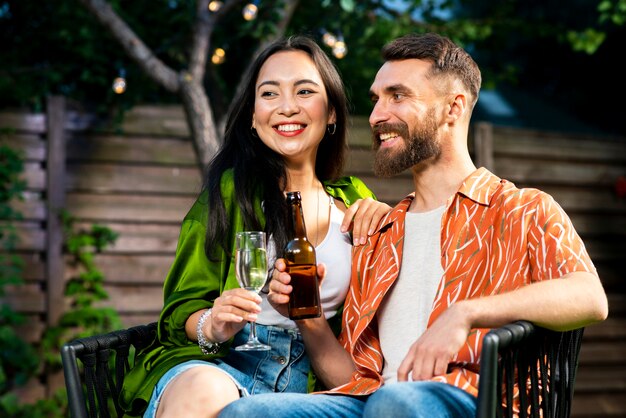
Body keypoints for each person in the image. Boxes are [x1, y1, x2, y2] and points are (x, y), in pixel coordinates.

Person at [219, 32, 609, 418]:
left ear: (453, 108)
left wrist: (465, 314)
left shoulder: (522, 210)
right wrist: (309, 316)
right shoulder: (379, 232)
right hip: (372, 402)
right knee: (246, 412)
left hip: (474, 400)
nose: (376, 116)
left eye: (398, 96)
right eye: (376, 99)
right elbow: (353, 377)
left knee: (395, 403)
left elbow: (590, 297)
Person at [119, 35, 391, 418]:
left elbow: (370, 323)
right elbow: (180, 311)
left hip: (311, 381)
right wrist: (213, 325)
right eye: (269, 94)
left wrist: (384, 215)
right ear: (251, 115)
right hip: (220, 365)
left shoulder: (353, 200)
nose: (286, 107)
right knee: (204, 390)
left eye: (304, 91)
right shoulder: (230, 192)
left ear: (331, 112)